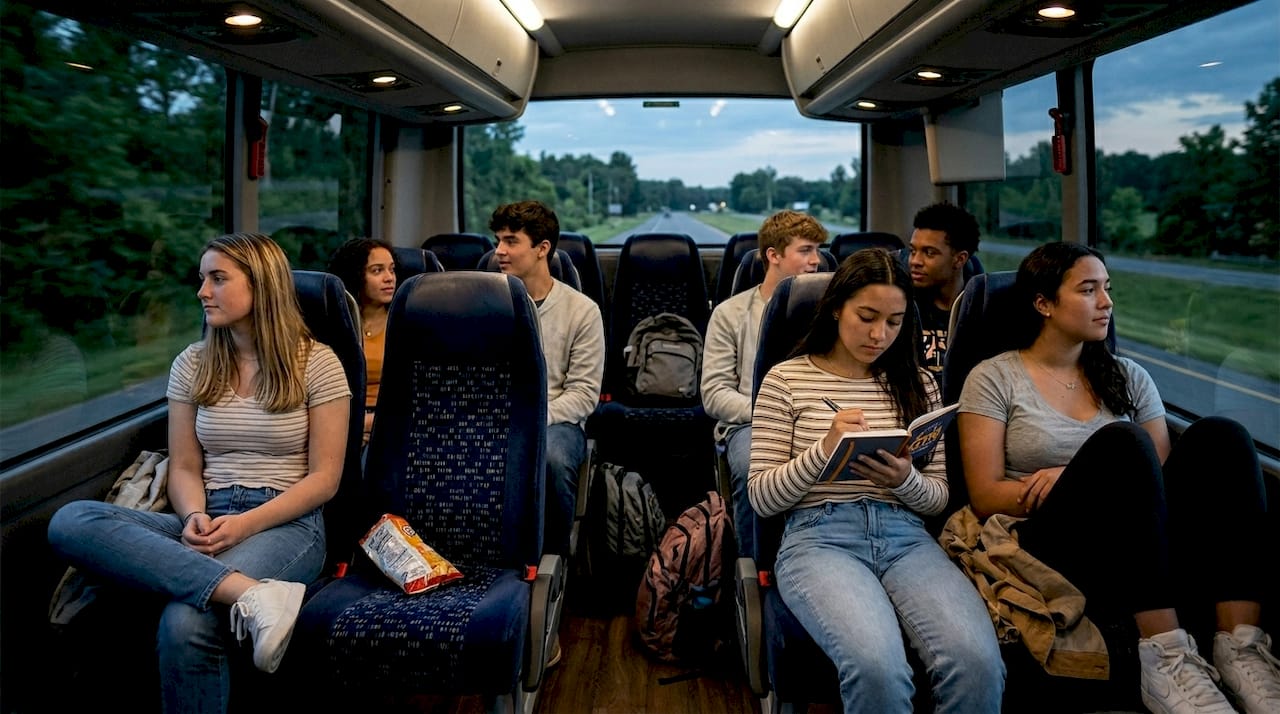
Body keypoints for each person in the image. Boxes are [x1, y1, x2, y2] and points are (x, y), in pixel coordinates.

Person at [957, 241, 1278, 714]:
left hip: (1132, 531)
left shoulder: (1128, 375)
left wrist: (1077, 471)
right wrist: (1085, 479)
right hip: (1048, 534)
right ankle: (1165, 657)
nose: (1106, 302)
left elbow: (1157, 481)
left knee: (1223, 435)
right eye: (1089, 290)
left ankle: (1241, 648)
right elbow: (985, 495)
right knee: (1124, 443)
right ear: (1043, 303)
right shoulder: (994, 378)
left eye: (1107, 288)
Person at [47, 233, 351, 713]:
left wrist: (245, 524)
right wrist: (194, 517)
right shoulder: (192, 362)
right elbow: (185, 465)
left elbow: (325, 479)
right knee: (72, 521)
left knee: (185, 623)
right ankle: (254, 596)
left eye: (217, 278)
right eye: (201, 278)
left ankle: (252, 594)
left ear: (262, 285)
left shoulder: (317, 363)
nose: (201, 292)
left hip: (286, 522)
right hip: (207, 515)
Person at [748, 247, 1005, 713]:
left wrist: (904, 478)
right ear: (835, 308)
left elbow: (937, 499)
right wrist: (824, 450)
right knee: (878, 669)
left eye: (893, 321)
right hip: (819, 538)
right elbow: (763, 499)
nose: (878, 334)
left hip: (906, 537)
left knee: (977, 663)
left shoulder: (920, 384)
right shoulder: (786, 381)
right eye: (866, 316)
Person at [702, 209, 826, 557]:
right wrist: (774, 416)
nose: (817, 260)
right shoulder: (730, 314)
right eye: (805, 250)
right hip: (750, 423)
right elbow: (714, 394)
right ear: (773, 256)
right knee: (749, 466)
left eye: (818, 250)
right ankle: (755, 569)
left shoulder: (833, 315)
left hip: (821, 421)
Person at [490, 200, 605, 558]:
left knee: (552, 458)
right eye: (498, 241)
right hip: (492, 416)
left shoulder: (582, 311)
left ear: (542, 249)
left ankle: (551, 562)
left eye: (510, 241)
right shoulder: (483, 303)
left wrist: (532, 419)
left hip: (556, 420)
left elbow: (584, 395)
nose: (499, 251)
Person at [327, 237, 398, 445]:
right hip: (340, 419)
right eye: (377, 271)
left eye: (392, 270)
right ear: (356, 275)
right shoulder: (333, 325)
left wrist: (374, 422)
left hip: (389, 420)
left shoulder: (405, 321)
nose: (389, 278)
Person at [907, 202, 980, 373]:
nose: (915, 261)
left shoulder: (981, 311)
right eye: (912, 251)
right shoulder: (904, 306)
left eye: (929, 253)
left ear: (959, 259)